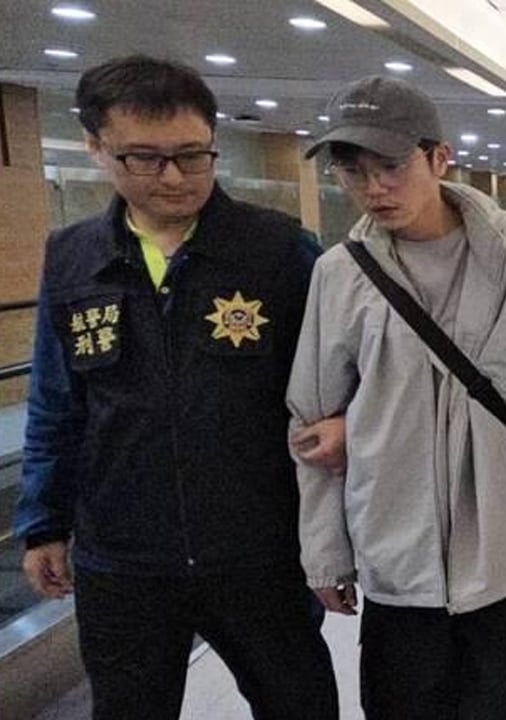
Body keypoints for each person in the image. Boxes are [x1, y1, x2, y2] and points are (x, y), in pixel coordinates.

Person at [288, 75, 506, 719]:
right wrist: (325, 551)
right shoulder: (341, 273)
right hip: (395, 552)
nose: (374, 188)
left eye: (391, 166)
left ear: (439, 158)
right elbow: (312, 422)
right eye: (353, 170)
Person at [13, 55, 338, 720]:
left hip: (259, 550)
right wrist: (43, 523)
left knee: (299, 705)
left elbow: (345, 370)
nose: (173, 177)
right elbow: (55, 402)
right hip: (123, 558)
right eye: (145, 158)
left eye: (193, 155)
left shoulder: (277, 250)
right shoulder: (73, 257)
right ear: (97, 148)